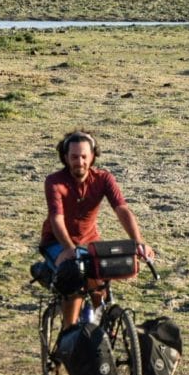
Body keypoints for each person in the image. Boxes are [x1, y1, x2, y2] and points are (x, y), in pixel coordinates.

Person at [39, 130, 152, 328]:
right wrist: (68, 248)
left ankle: (102, 322)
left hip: (89, 240)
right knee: (74, 273)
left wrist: (138, 241)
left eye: (84, 156)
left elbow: (122, 209)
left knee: (101, 275)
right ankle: (69, 331)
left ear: (92, 157)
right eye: (74, 157)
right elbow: (56, 219)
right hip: (57, 242)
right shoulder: (55, 182)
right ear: (65, 158)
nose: (79, 162)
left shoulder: (103, 179)